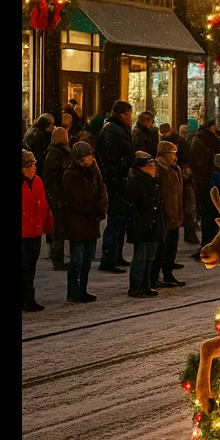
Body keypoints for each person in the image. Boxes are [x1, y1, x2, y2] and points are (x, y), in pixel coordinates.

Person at [59, 141, 106, 303]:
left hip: (91, 221)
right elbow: (74, 200)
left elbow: (101, 190)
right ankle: (74, 291)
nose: (91, 158)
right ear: (80, 157)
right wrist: (93, 209)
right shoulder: (71, 174)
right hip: (77, 222)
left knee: (87, 258)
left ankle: (82, 289)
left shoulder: (93, 171)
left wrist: (100, 208)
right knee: (77, 259)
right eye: (88, 155)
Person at [97, 101, 135, 273]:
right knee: (116, 220)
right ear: (122, 115)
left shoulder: (116, 129)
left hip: (119, 181)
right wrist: (120, 173)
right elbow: (112, 157)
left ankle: (115, 255)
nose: (131, 117)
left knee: (120, 221)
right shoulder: (113, 130)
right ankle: (109, 258)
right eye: (129, 114)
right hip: (115, 182)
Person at [125, 151, 164, 298]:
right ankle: (136, 286)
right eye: (151, 166)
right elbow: (132, 206)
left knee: (150, 257)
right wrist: (139, 222)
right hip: (142, 225)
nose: (154, 168)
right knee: (141, 257)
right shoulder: (136, 182)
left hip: (152, 224)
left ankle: (145, 285)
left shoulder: (151, 181)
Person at [150, 141, 186, 288]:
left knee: (171, 248)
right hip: (164, 215)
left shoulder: (174, 169)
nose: (174, 157)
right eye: (172, 154)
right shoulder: (158, 170)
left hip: (175, 214)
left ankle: (168, 274)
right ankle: (154, 277)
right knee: (160, 250)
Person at [188, 119, 220, 258]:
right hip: (211, 182)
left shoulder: (201, 140)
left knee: (207, 217)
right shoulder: (212, 141)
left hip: (205, 183)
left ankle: (208, 246)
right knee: (211, 216)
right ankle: (211, 245)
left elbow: (198, 163)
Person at [22, 150, 53, 312]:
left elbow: (44, 207)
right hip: (23, 233)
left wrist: (48, 228)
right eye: (28, 166)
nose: (32, 168)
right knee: (24, 266)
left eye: (33, 165)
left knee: (31, 266)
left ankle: (28, 298)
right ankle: (26, 298)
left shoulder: (38, 182)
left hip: (35, 231)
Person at [43, 126, 72, 271]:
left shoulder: (60, 152)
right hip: (57, 196)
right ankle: (57, 258)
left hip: (59, 196)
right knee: (59, 229)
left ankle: (58, 256)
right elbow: (54, 178)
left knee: (60, 228)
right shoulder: (55, 155)